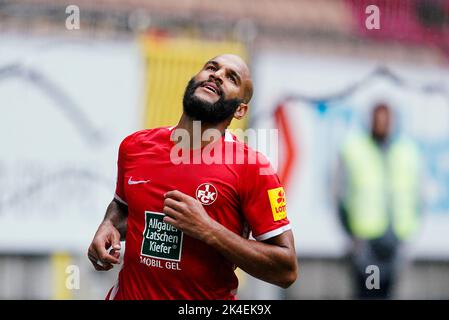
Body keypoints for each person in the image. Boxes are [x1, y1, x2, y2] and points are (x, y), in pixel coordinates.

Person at [87, 54, 298, 300]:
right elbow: (123, 207)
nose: (217, 75)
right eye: (211, 67)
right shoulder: (135, 147)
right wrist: (108, 225)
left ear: (240, 110)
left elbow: (286, 270)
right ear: (194, 79)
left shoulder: (252, 167)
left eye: (231, 78)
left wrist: (208, 229)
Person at [336, 103, 421, 299]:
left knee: (389, 293)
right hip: (368, 242)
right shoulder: (355, 149)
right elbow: (340, 196)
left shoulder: (405, 151)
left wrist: (411, 232)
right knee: (370, 291)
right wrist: (350, 236)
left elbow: (417, 196)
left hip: (396, 239)